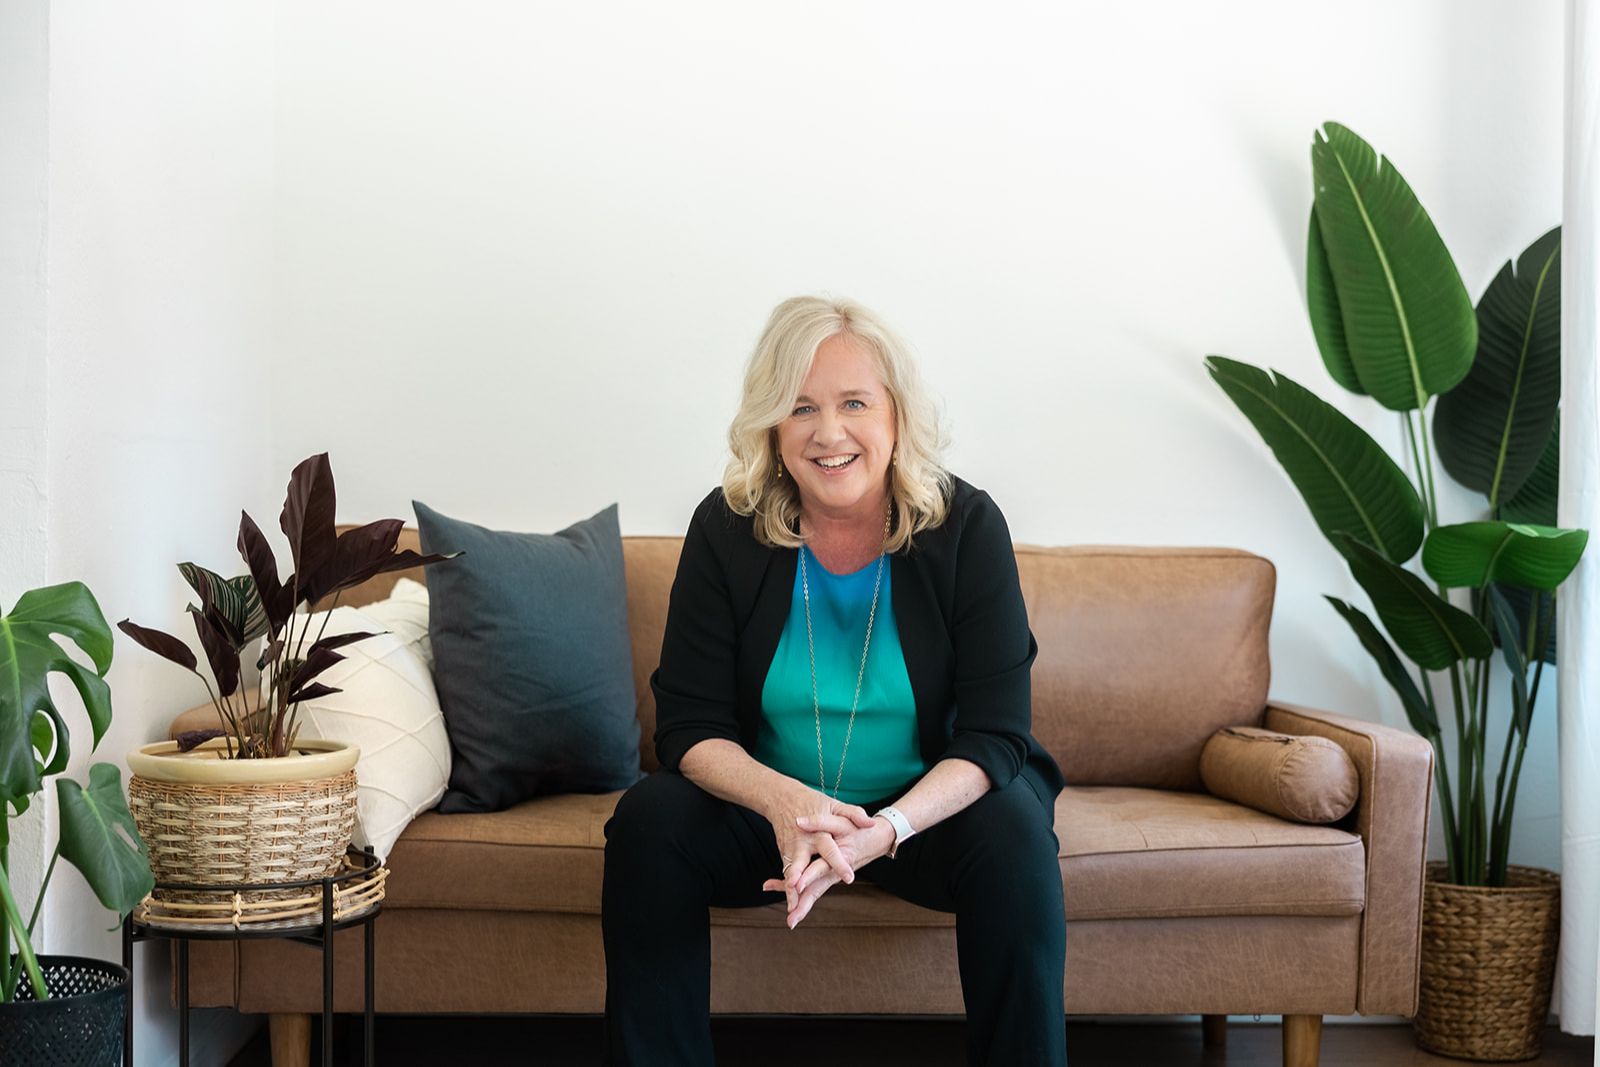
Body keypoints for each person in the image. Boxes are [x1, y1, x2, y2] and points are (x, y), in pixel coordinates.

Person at [602, 295, 1067, 1066]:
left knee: (1015, 833)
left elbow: (996, 733)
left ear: (897, 418)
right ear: (772, 427)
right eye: (801, 407)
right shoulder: (726, 527)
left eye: (855, 403)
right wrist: (789, 805)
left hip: (922, 815)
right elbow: (689, 724)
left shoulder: (966, 526)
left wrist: (889, 827)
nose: (829, 432)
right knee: (649, 823)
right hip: (772, 811)